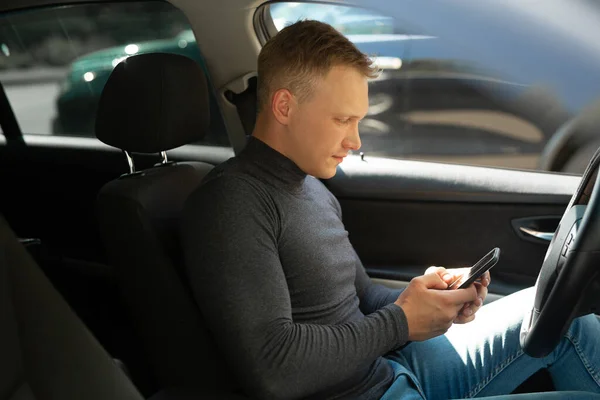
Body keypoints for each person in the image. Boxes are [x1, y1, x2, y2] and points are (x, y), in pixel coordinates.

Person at [181, 20, 600, 400]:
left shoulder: (310, 186)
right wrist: (401, 323)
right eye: (342, 119)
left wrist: (429, 300)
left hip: (394, 369)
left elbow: (360, 297)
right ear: (285, 107)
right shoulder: (233, 203)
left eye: (358, 121)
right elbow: (274, 369)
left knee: (568, 321)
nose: (355, 141)